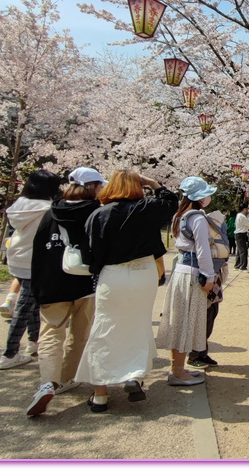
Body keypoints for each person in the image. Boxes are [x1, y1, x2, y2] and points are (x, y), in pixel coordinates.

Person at [75, 170, 178, 413]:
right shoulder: (147, 209)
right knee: (139, 324)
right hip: (144, 274)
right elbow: (171, 201)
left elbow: (91, 255)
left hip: (113, 275)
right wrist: (153, 183)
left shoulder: (98, 215)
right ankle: (134, 374)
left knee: (104, 327)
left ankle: (100, 394)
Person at [25, 167, 105, 416]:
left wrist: (37, 288)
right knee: (79, 334)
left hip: (51, 283)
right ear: (92, 188)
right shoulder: (96, 212)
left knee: (50, 334)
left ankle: (48, 382)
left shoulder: (50, 213)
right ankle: (67, 379)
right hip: (84, 283)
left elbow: (38, 251)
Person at [156, 177, 218, 385]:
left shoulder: (179, 216)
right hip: (193, 273)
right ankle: (178, 371)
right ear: (200, 197)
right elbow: (203, 251)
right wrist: (209, 277)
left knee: (179, 320)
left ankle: (178, 367)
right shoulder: (198, 218)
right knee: (186, 322)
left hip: (180, 271)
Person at [0, 170, 61, 370]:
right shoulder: (48, 208)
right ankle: (9, 354)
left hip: (17, 255)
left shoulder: (19, 205)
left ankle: (34, 342)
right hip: (35, 259)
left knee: (32, 303)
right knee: (25, 307)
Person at [187, 207, 231, 368]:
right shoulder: (201, 228)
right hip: (206, 277)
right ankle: (193, 355)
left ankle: (202, 353)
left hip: (215, 278)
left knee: (211, 314)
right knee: (203, 318)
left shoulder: (216, 233)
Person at [234, 204, 249, 270]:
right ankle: (243, 266)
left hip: (239, 234)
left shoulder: (239, 215)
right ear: (244, 209)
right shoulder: (241, 216)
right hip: (241, 234)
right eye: (246, 209)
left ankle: (237, 265)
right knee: (243, 251)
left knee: (239, 251)